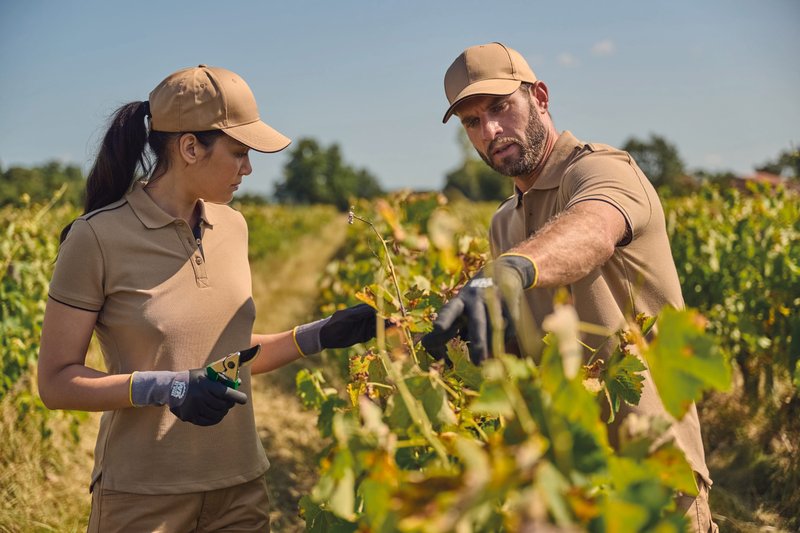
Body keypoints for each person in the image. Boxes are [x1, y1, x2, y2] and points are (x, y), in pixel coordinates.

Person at [37, 64, 377, 532]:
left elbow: (225, 356)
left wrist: (320, 334)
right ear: (190, 148)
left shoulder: (233, 227)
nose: (248, 168)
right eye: (239, 152)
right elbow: (56, 382)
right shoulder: (95, 237)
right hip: (143, 497)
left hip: (240, 489)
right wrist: (167, 387)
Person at [421, 42, 717, 532]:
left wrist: (511, 269)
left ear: (539, 97)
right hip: (568, 483)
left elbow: (594, 228)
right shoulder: (503, 222)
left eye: (500, 107)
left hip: (652, 472)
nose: (490, 131)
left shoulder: (603, 170)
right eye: (473, 121)